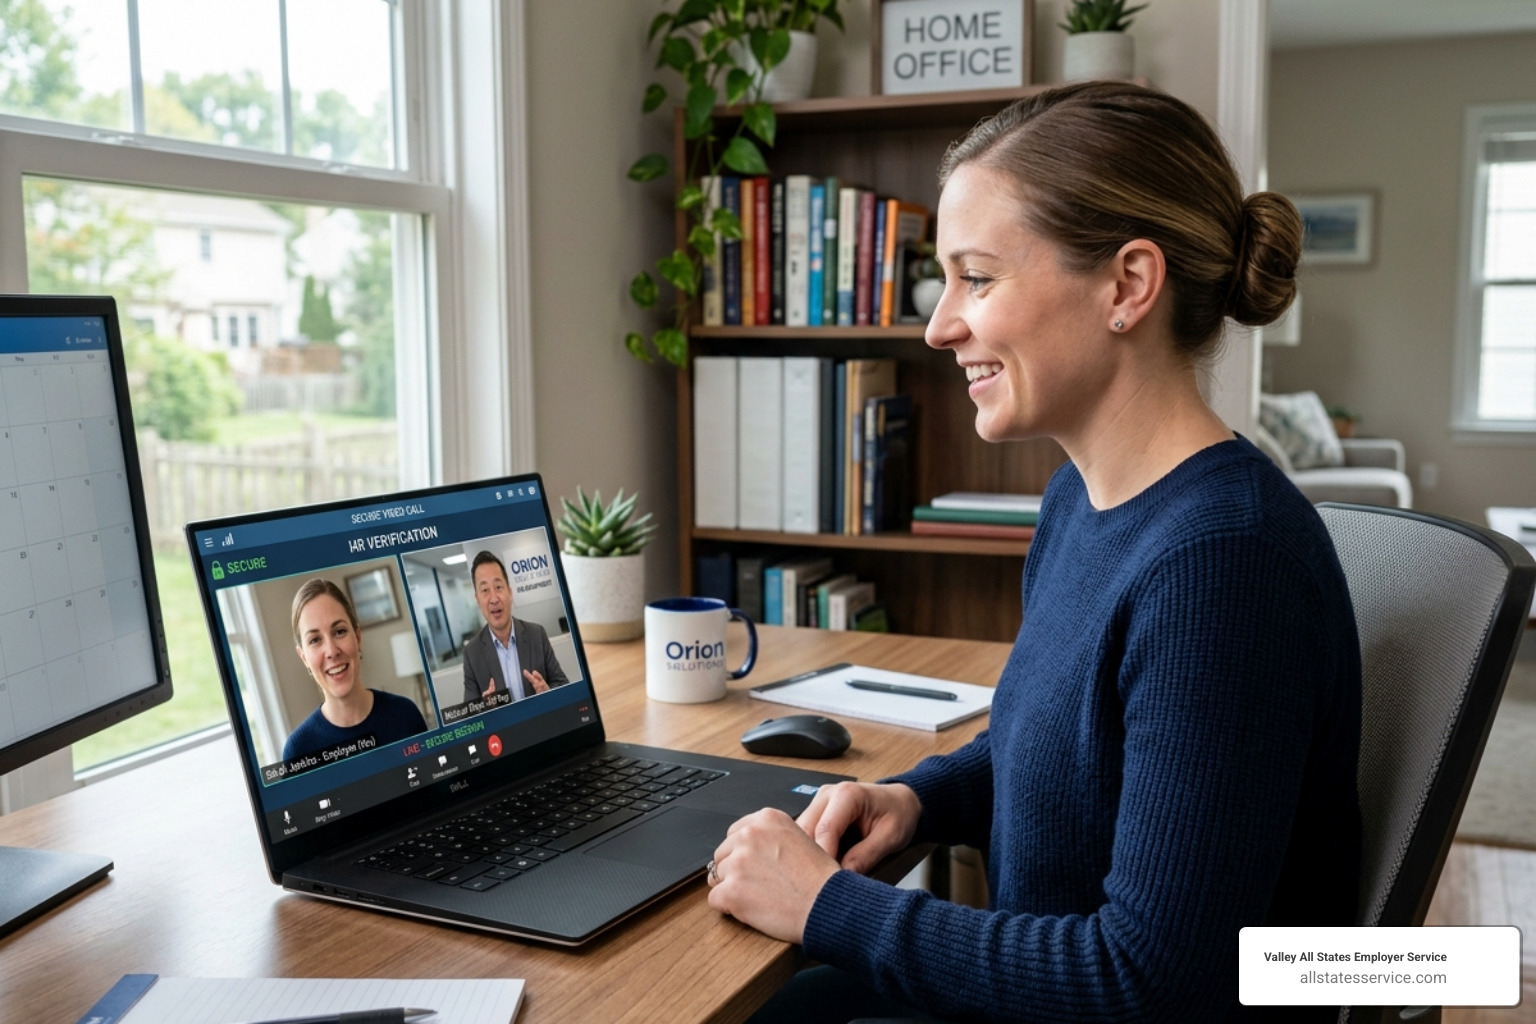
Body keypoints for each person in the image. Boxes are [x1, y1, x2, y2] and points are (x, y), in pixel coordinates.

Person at [704, 82, 1362, 1024]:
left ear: (1128, 286)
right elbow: (1057, 746)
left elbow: (1152, 982)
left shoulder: (1223, 568)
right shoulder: (1082, 498)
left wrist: (824, 904)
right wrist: (916, 800)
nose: (939, 325)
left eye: (977, 277)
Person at [282, 578, 428, 762]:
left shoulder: (405, 714)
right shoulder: (298, 751)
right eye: (315, 640)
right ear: (303, 657)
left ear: (357, 637)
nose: (332, 651)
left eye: (339, 631)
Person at [460, 550, 569, 706]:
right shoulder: (472, 653)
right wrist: (484, 709)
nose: (493, 598)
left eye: (498, 587)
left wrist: (548, 692)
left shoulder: (537, 634)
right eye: (485, 590)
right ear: (477, 599)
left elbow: (563, 684)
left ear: (510, 593)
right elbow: (469, 717)